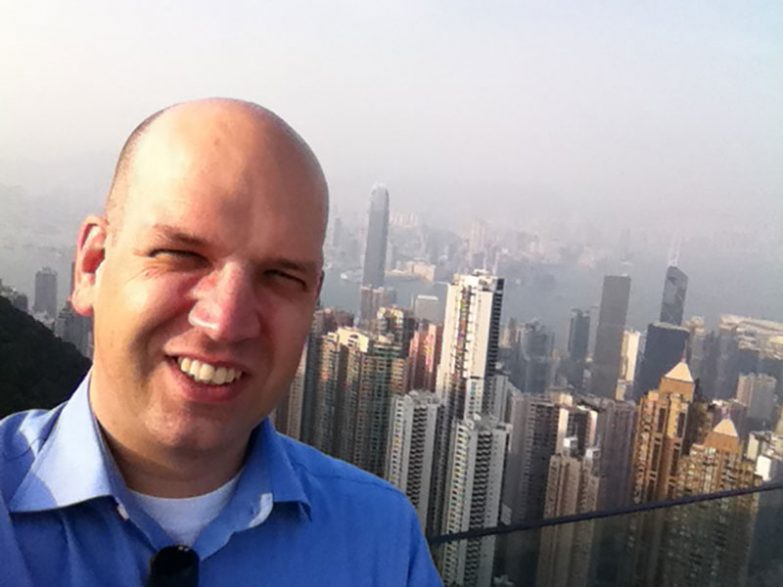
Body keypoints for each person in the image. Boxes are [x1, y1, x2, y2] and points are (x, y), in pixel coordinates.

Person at [0, 99, 442, 586]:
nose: (226, 322)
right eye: (180, 255)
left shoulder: (380, 540)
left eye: (279, 276)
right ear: (92, 266)